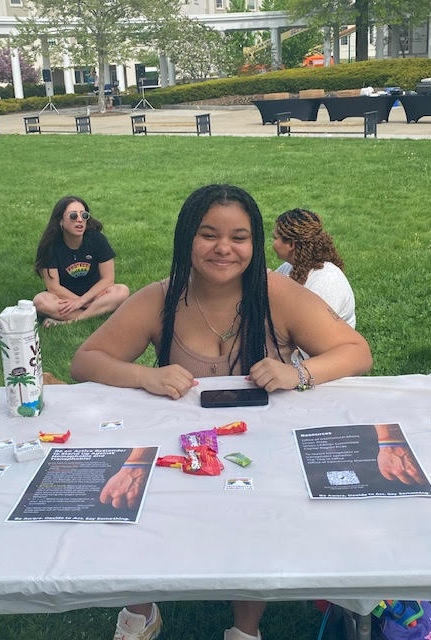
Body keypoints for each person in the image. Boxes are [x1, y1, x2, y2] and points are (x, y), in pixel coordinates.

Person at [71, 184, 373, 640]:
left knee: (258, 511)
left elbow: (354, 351)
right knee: (133, 490)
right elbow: (86, 360)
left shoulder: (279, 293)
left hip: (262, 451)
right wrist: (146, 376)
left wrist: (300, 373)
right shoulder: (162, 298)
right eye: (209, 234)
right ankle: (141, 608)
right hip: (178, 451)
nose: (224, 248)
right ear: (186, 238)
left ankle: (245, 626)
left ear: (254, 243)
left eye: (240, 236)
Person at [33, 195, 129, 327]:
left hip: (95, 295)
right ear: (60, 221)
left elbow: (108, 279)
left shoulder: (97, 239)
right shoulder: (50, 246)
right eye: (73, 216)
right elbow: (54, 288)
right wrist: (79, 301)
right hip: (64, 298)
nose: (79, 220)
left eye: (84, 216)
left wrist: (82, 302)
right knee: (40, 301)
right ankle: (96, 314)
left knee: (122, 291)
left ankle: (70, 321)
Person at [272, 208, 356, 328]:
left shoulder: (327, 282)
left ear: (291, 244)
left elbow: (314, 332)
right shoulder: (289, 267)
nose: (272, 243)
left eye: (275, 238)